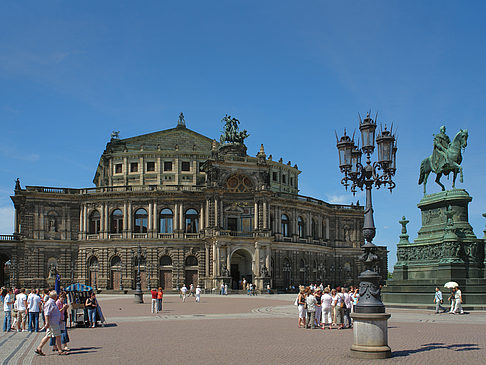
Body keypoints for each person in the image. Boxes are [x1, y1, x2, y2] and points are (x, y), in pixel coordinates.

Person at [34, 290, 68, 356]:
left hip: (53, 322)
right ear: (54, 296)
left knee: (48, 336)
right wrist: (47, 322)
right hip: (53, 323)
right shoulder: (50, 303)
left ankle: (39, 348)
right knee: (58, 336)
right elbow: (47, 313)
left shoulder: (52, 302)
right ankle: (60, 350)